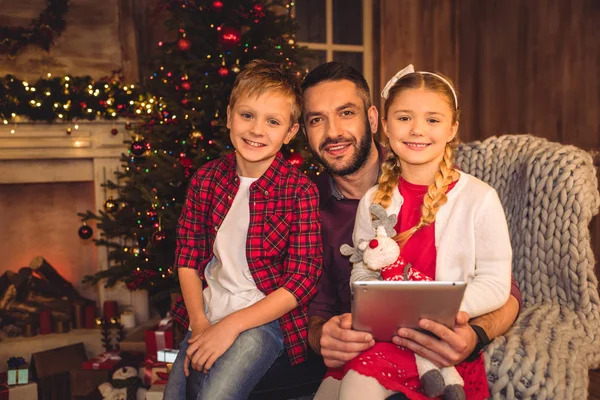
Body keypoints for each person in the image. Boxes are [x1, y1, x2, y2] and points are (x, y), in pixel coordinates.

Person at [302, 62, 522, 399]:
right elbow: (359, 275)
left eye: (432, 120)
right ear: (387, 127)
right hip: (382, 337)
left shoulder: (478, 198)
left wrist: (449, 315)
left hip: (439, 343)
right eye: (405, 118)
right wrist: (330, 330)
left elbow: (498, 284)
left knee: (356, 388)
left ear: (452, 129)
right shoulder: (371, 202)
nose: (417, 129)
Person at [163, 59, 323, 400]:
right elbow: (188, 259)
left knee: (214, 396)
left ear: (290, 132)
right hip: (207, 313)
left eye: (273, 121)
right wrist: (202, 325)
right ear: (229, 115)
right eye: (247, 115)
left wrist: (231, 326)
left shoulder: (299, 190)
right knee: (175, 395)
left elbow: (302, 280)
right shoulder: (206, 179)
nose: (256, 130)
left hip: (266, 322)